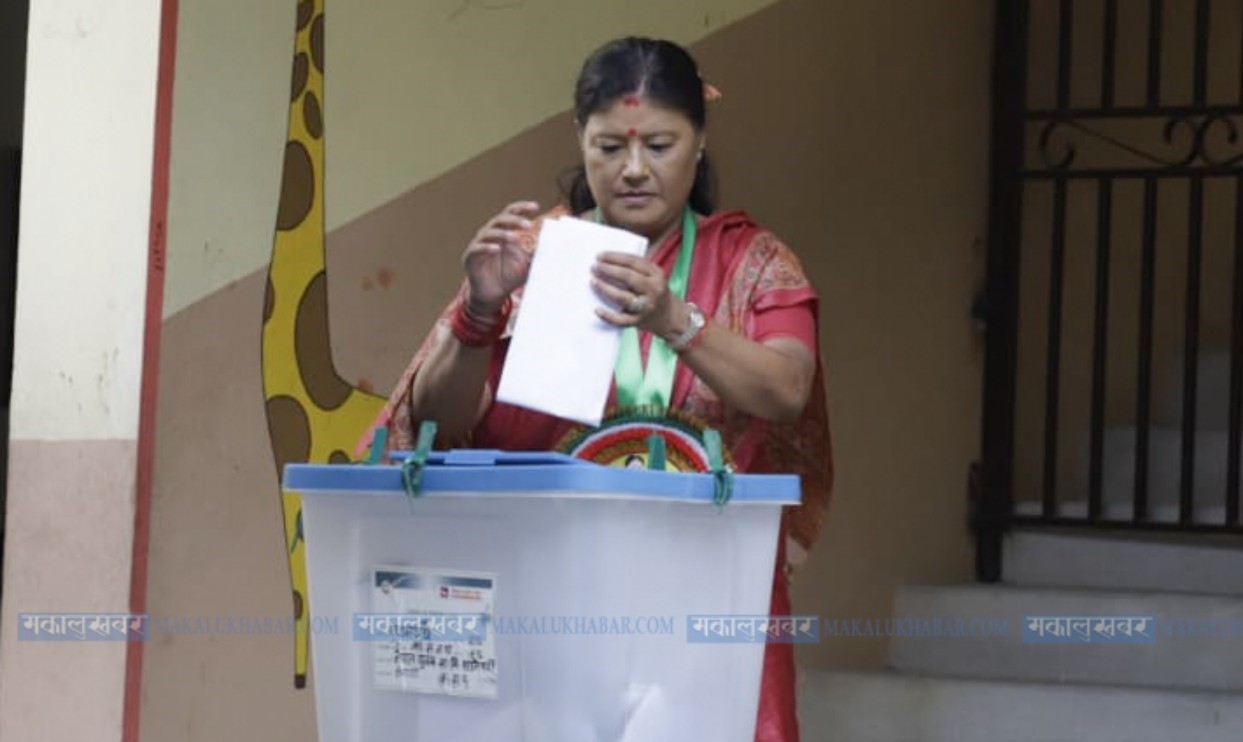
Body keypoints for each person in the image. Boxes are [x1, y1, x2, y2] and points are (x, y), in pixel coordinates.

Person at [365, 37, 832, 742]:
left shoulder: (750, 260)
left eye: (661, 145)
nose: (635, 170)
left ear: (699, 144)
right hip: (547, 595)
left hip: (705, 599)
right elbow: (438, 420)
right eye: (610, 147)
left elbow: (787, 388)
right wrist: (479, 312)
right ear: (579, 141)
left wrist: (676, 322)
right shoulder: (530, 256)